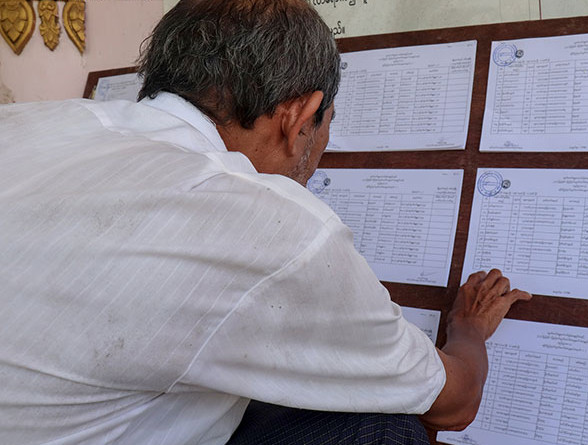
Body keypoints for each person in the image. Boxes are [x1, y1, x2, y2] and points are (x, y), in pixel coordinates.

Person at [0, 0, 531, 444]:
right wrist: (468, 330)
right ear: (301, 116)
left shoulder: (25, 122)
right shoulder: (272, 225)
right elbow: (453, 405)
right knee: (380, 425)